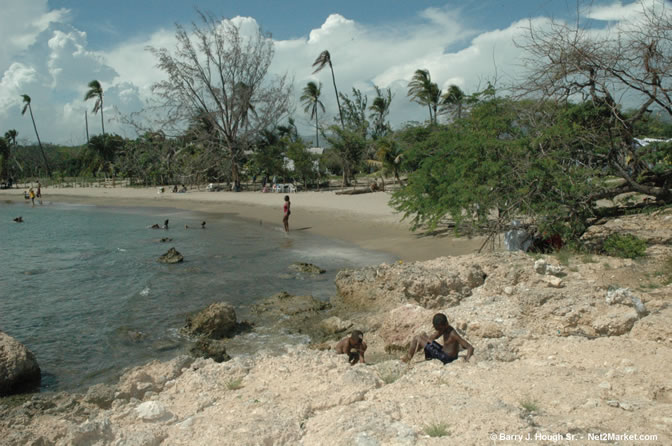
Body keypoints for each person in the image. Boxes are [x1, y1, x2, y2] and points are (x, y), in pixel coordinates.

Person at [402, 313, 474, 364]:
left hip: (446, 358)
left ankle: (408, 358)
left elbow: (470, 347)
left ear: (445, 325)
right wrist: (427, 341)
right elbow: (432, 338)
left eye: (439, 328)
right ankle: (411, 355)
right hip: (442, 352)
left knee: (418, 338)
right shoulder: (445, 329)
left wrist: (467, 362)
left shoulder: (453, 334)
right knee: (422, 336)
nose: (438, 330)